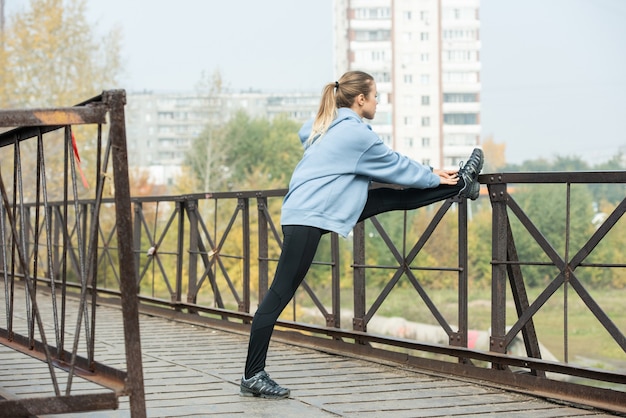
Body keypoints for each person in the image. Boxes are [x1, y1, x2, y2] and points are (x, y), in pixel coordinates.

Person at [240, 70, 483, 399]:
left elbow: (392, 170)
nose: (378, 102)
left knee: (386, 197)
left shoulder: (330, 126)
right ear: (360, 100)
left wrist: (433, 174)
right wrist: (430, 174)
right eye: (376, 96)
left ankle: (460, 186)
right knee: (278, 295)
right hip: (308, 216)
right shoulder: (354, 134)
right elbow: (395, 164)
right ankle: (252, 375)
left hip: (318, 208)